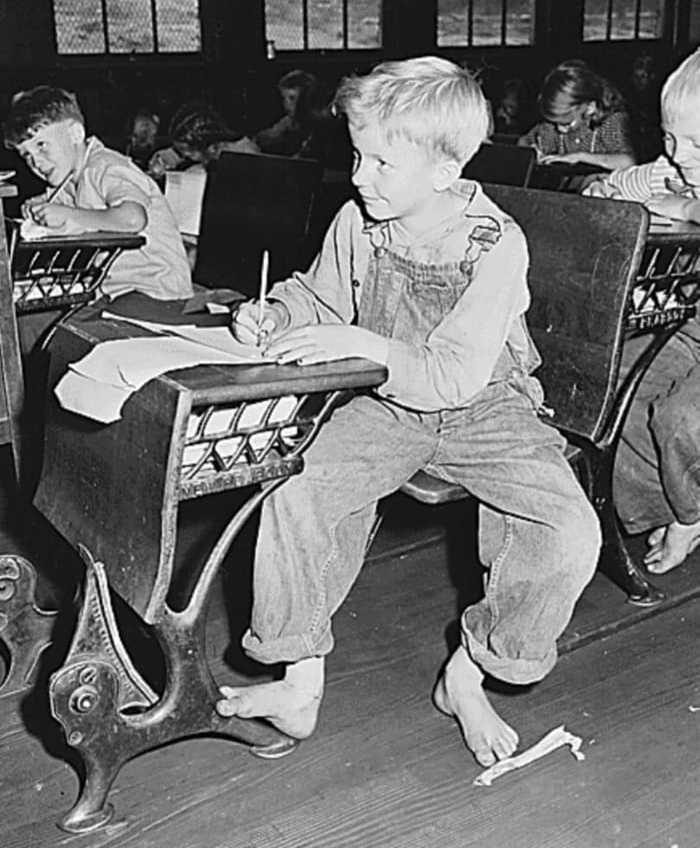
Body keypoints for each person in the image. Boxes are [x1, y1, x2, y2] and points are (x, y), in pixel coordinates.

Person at [219, 56, 601, 768]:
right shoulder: (362, 218)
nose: (359, 174)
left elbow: (455, 373)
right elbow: (320, 295)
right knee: (298, 489)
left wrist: (363, 340)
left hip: (486, 403)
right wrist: (275, 312)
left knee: (569, 529)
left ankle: (470, 671)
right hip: (391, 404)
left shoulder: (496, 243)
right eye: (358, 154)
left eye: (379, 161)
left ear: (443, 171)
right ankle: (299, 681)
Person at [583, 46, 700, 574]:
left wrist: (688, 208)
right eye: (672, 138)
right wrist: (603, 189)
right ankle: (667, 503)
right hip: (689, 323)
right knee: (624, 386)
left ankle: (691, 514)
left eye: (699, 143)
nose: (682, 156)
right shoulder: (677, 168)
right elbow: (618, 187)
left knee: (683, 420)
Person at [3, 85, 193, 302]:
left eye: (42, 145)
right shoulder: (67, 181)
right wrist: (34, 207)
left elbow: (133, 218)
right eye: (26, 155)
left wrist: (68, 215)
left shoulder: (105, 166)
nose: (35, 161)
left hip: (157, 292)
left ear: (75, 133)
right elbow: (52, 203)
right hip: (114, 291)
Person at [519, 59, 636, 171]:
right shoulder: (553, 125)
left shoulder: (610, 120)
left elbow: (627, 162)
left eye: (566, 124)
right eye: (556, 123)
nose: (560, 129)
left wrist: (580, 157)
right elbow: (523, 141)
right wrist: (533, 151)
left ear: (590, 108)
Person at [148, 101, 258, 179]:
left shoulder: (245, 154)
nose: (184, 155)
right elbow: (173, 156)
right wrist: (163, 160)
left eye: (187, 152)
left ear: (208, 147)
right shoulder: (200, 150)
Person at [255, 70, 323, 158]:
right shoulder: (288, 121)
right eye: (284, 98)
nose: (286, 104)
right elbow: (268, 136)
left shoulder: (317, 126)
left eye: (292, 98)